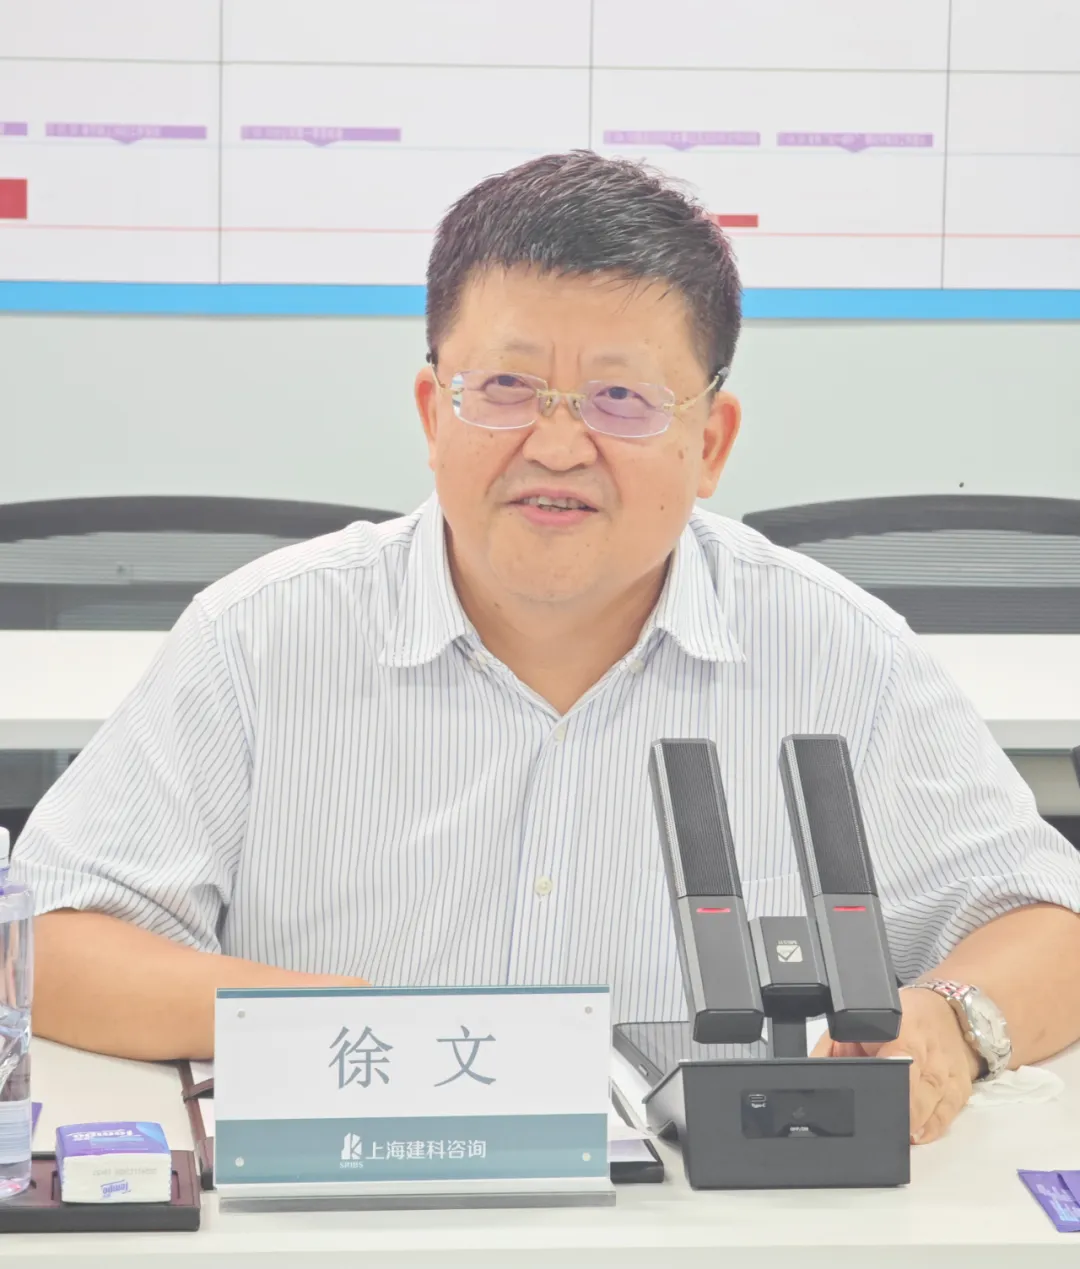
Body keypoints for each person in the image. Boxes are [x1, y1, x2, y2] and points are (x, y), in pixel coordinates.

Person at [11, 152, 1080, 1146]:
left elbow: (1052, 921)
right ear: (434, 413)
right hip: (355, 1204)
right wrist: (365, 1032)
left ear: (709, 442)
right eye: (506, 389)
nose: (559, 445)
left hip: (719, 1227)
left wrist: (952, 1021)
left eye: (622, 398)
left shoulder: (844, 657)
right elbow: (47, 938)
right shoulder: (259, 639)